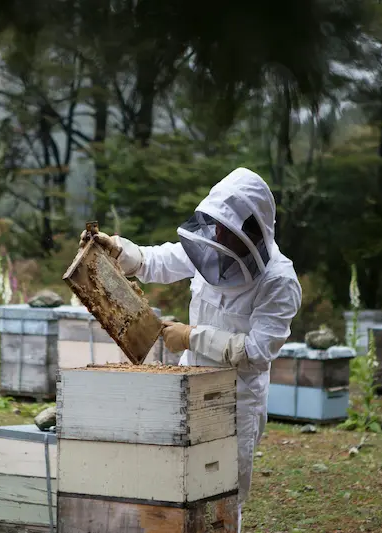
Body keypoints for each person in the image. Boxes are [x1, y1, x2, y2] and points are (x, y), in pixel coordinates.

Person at [80, 167, 301, 532]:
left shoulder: (279, 281)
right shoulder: (210, 246)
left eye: (228, 229)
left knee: (221, 496)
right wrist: (118, 248)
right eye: (217, 225)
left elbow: (257, 352)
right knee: (174, 484)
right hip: (189, 387)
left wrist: (191, 336)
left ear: (253, 232)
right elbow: (155, 261)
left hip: (236, 401)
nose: (218, 235)